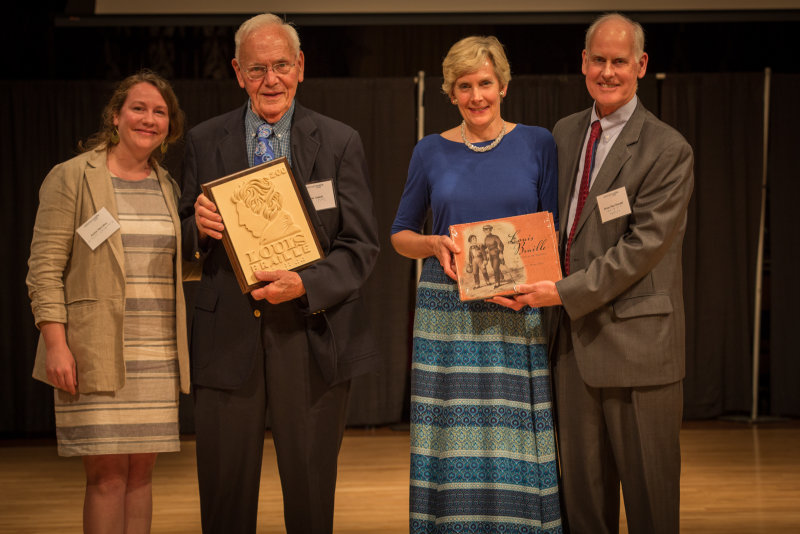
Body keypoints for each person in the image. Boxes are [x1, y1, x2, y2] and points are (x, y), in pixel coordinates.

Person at [493, 13, 694, 534]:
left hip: (639, 351)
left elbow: (641, 249)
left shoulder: (668, 149)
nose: (608, 72)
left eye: (619, 62)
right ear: (583, 62)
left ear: (641, 66)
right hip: (571, 349)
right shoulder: (563, 133)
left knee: (652, 507)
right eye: (598, 60)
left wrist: (560, 291)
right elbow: (547, 226)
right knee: (582, 507)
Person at [179, 13, 380, 534]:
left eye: (282, 66)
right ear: (237, 73)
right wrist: (196, 229)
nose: (271, 80)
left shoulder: (339, 141)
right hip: (226, 340)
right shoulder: (205, 140)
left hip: (310, 334)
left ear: (301, 67)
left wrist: (306, 284)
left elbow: (361, 247)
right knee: (224, 498)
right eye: (257, 69)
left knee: (311, 496)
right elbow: (180, 236)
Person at [391, 35, 562, 534]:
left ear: (503, 85)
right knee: (450, 432)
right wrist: (433, 245)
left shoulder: (538, 143)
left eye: (485, 83)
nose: (476, 96)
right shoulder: (429, 151)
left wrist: (537, 286)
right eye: (464, 86)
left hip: (517, 305)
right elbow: (401, 235)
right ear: (450, 92)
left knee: (513, 431)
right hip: (447, 311)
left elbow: (548, 231)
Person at [26, 70, 189, 533]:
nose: (149, 119)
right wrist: (56, 344)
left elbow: (176, 266)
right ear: (116, 116)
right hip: (94, 350)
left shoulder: (168, 185)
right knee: (106, 477)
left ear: (169, 126)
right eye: (139, 108)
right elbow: (43, 269)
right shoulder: (73, 177)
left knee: (141, 476)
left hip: (156, 354)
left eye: (160, 112)